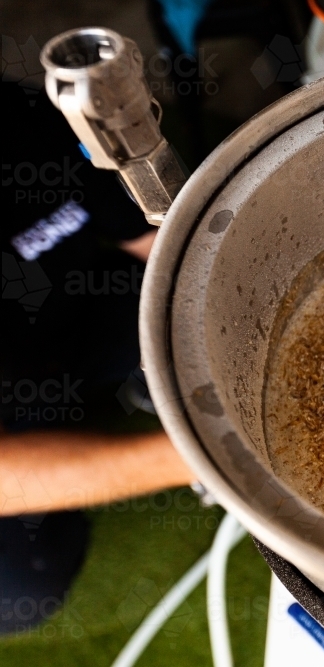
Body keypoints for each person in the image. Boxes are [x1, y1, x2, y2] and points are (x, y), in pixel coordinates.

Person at [1, 80, 193, 523]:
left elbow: (156, 240)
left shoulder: (25, 115)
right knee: (30, 580)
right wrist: (211, 456)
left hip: (88, 306)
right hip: (13, 401)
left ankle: (143, 378)